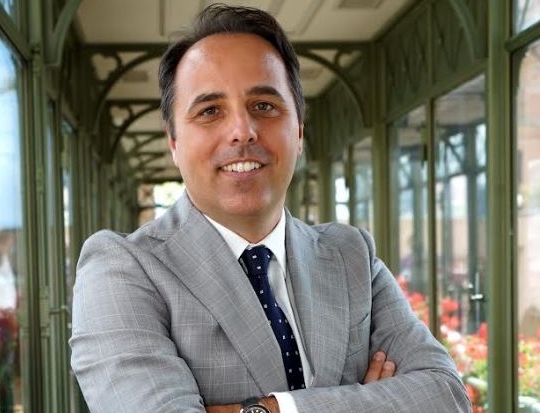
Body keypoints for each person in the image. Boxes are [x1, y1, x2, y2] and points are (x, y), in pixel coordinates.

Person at [69, 4, 471, 413]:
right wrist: (369, 400)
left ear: (298, 131)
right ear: (174, 142)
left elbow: (445, 396)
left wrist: (266, 409)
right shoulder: (122, 269)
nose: (242, 131)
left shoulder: (351, 255)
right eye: (210, 111)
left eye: (264, 105)